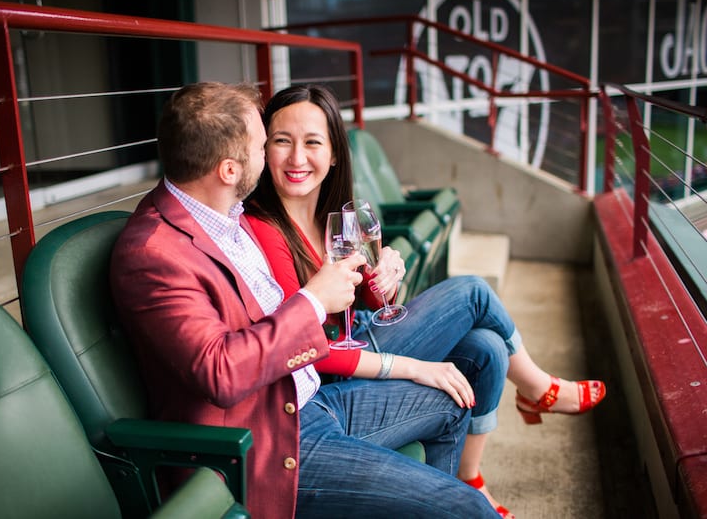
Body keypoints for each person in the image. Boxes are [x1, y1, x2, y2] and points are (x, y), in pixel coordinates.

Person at [110, 81, 501, 519]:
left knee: (454, 400)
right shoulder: (153, 254)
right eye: (265, 145)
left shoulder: (226, 216)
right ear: (229, 170)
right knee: (467, 508)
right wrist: (313, 300)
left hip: (309, 401)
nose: (275, 158)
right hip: (267, 442)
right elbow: (220, 372)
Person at [245, 83, 608, 518]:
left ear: (335, 152)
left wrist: (387, 283)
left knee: (487, 349)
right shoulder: (264, 228)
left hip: (357, 337)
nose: (297, 158)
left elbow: (364, 299)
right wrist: (411, 360)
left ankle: (468, 478)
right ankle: (537, 389)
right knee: (472, 290)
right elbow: (303, 346)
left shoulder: (334, 215)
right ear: (264, 150)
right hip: (331, 372)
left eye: (312, 142)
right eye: (282, 141)